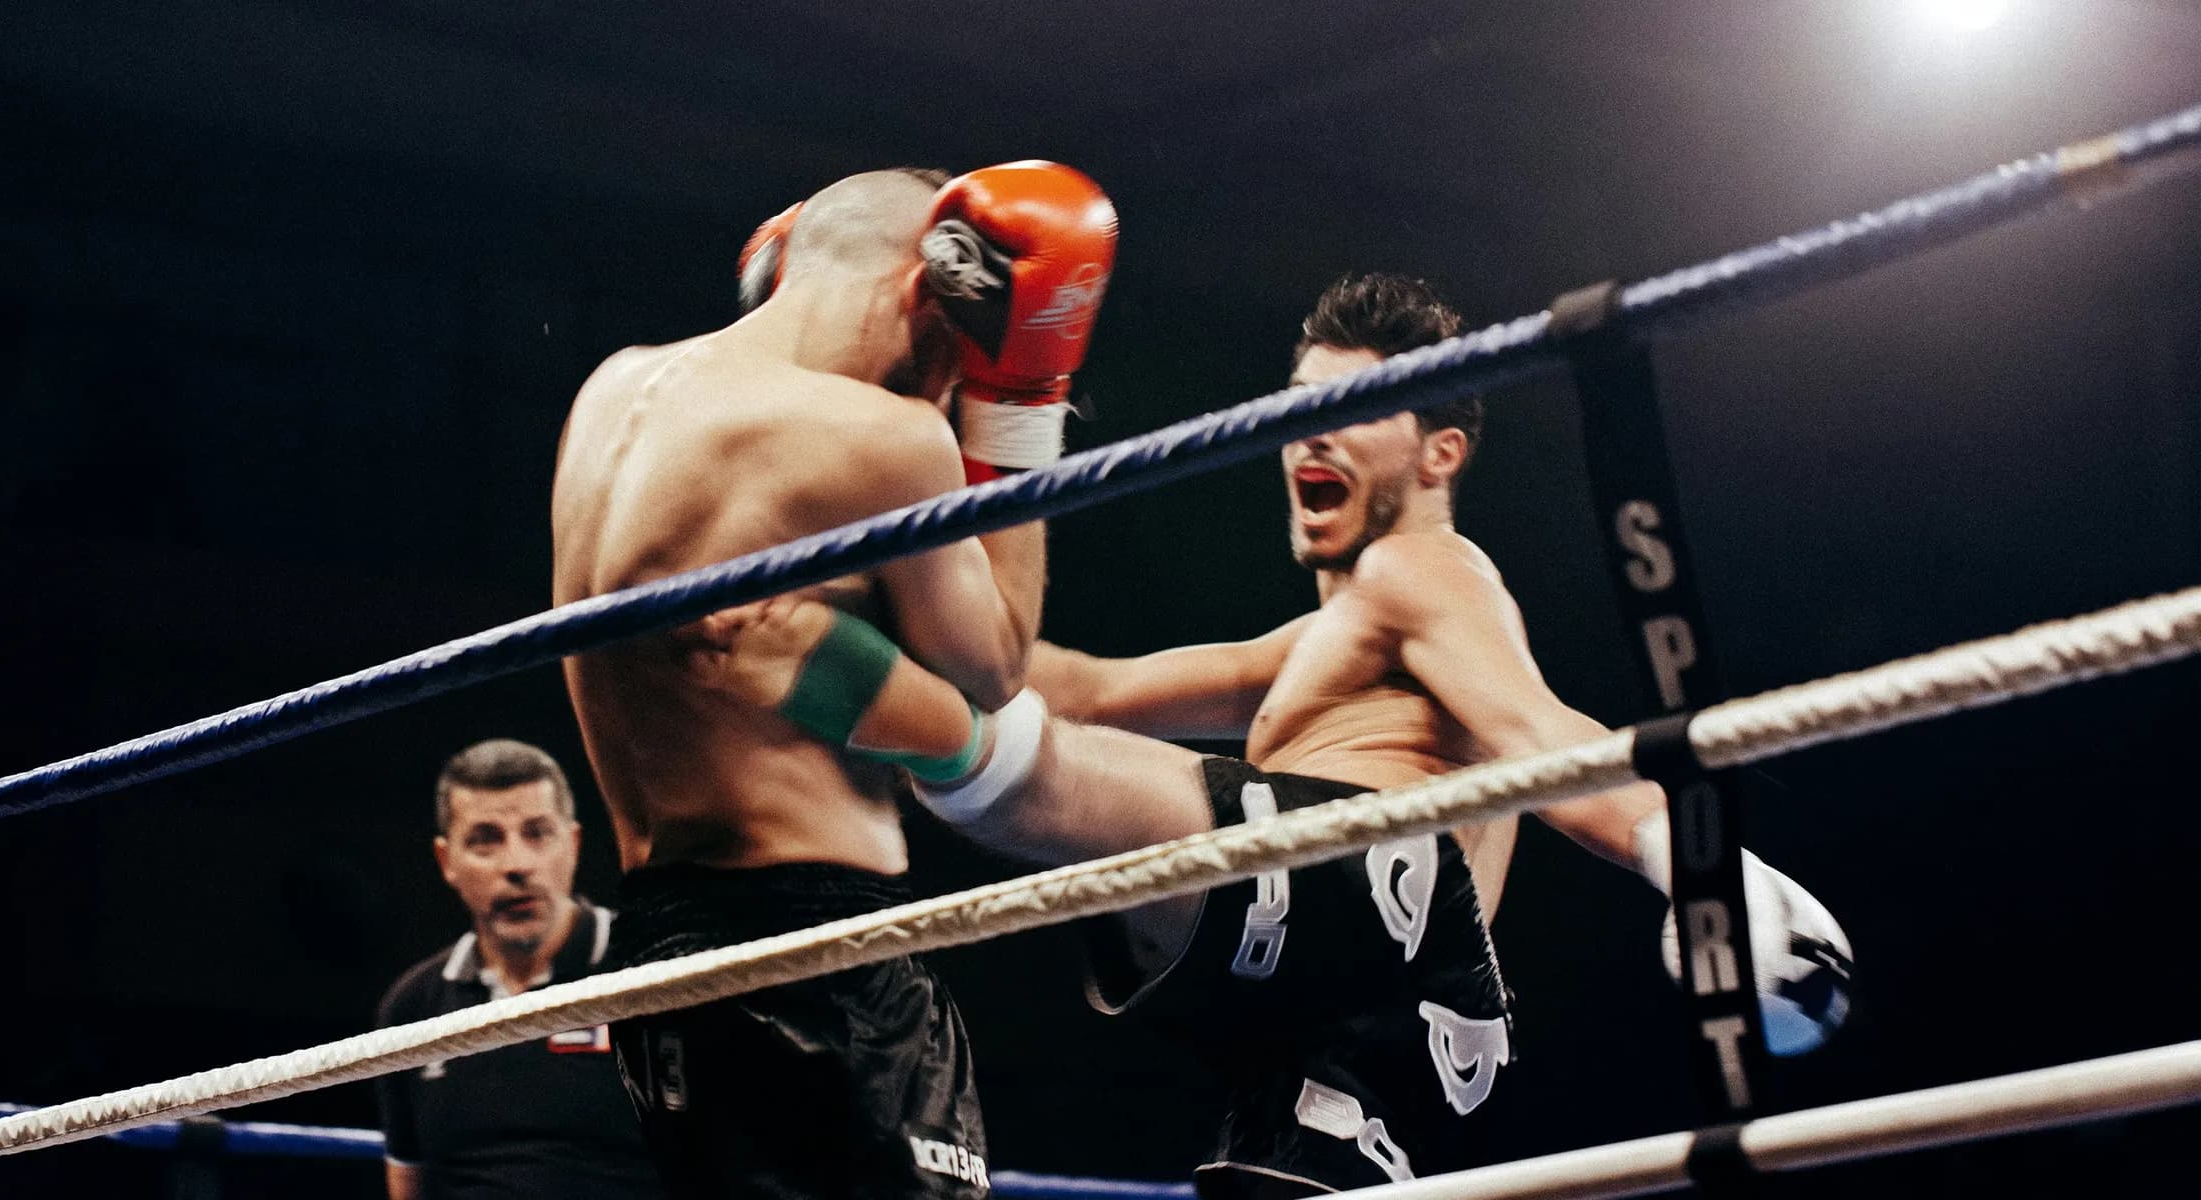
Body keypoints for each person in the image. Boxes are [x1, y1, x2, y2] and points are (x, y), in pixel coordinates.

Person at [684, 273, 1854, 1198]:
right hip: (1346, 1004)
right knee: (1032, 748)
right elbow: (1077, 683)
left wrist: (1710, 875)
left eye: (1352, 412)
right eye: (1300, 412)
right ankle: (846, 672)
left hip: (1398, 924)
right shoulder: (1317, 643)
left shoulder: (1426, 569)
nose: (1311, 438)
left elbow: (1543, 735)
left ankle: (840, 683)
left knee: (1031, 782)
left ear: (1443, 453)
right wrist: (879, 582)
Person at [550, 162, 1119, 1198]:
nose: (947, 390)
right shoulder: (884, 437)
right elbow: (996, 664)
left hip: (655, 959)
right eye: (958, 360)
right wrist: (1021, 400)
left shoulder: (610, 393)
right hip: (821, 968)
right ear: (921, 296)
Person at [373, 738, 663, 1200]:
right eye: (485, 840)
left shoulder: (651, 969)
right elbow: (408, 1188)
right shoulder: (413, 1006)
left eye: (537, 833)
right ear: (447, 862)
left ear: (572, 845)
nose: (516, 865)